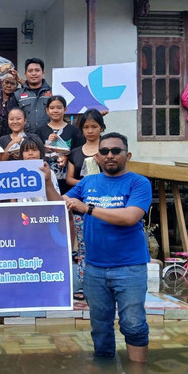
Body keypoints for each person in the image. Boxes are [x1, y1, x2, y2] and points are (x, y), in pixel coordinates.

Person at [61, 132, 152, 363]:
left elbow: (130, 217)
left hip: (129, 267)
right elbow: (61, 203)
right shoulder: (88, 182)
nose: (109, 155)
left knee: (133, 324)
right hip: (94, 268)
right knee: (100, 326)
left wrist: (88, 208)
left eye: (116, 151)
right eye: (104, 151)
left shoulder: (139, 182)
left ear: (127, 155)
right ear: (98, 157)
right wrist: (44, 180)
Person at [66, 108, 106, 300]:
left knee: (104, 243)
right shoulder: (75, 152)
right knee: (82, 246)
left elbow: (115, 174)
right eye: (86, 127)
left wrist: (100, 176)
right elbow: (69, 179)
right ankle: (83, 285)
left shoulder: (107, 151)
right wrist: (88, 182)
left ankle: (105, 285)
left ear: (102, 128)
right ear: (81, 130)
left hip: (106, 205)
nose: (90, 131)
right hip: (81, 204)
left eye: (94, 127)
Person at [37, 95, 85, 193]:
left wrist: (67, 157)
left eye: (59, 108)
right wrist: (47, 143)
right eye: (52, 108)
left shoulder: (73, 130)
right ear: (47, 110)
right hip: (46, 177)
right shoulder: (40, 131)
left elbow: (79, 151)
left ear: (65, 109)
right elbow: (36, 152)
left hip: (68, 178)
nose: (55, 111)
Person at [13, 58, 53, 134]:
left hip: (49, 138)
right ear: (25, 74)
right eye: (30, 71)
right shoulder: (17, 95)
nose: (33, 73)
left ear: (43, 72)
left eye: (37, 70)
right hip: (26, 139)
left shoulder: (53, 92)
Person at [19, 135, 60, 202]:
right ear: (21, 154)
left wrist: (48, 180)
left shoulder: (49, 173)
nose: (30, 153)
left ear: (40, 152)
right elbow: (14, 200)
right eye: (26, 150)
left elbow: (57, 202)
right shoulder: (17, 174)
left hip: (45, 211)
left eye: (34, 150)